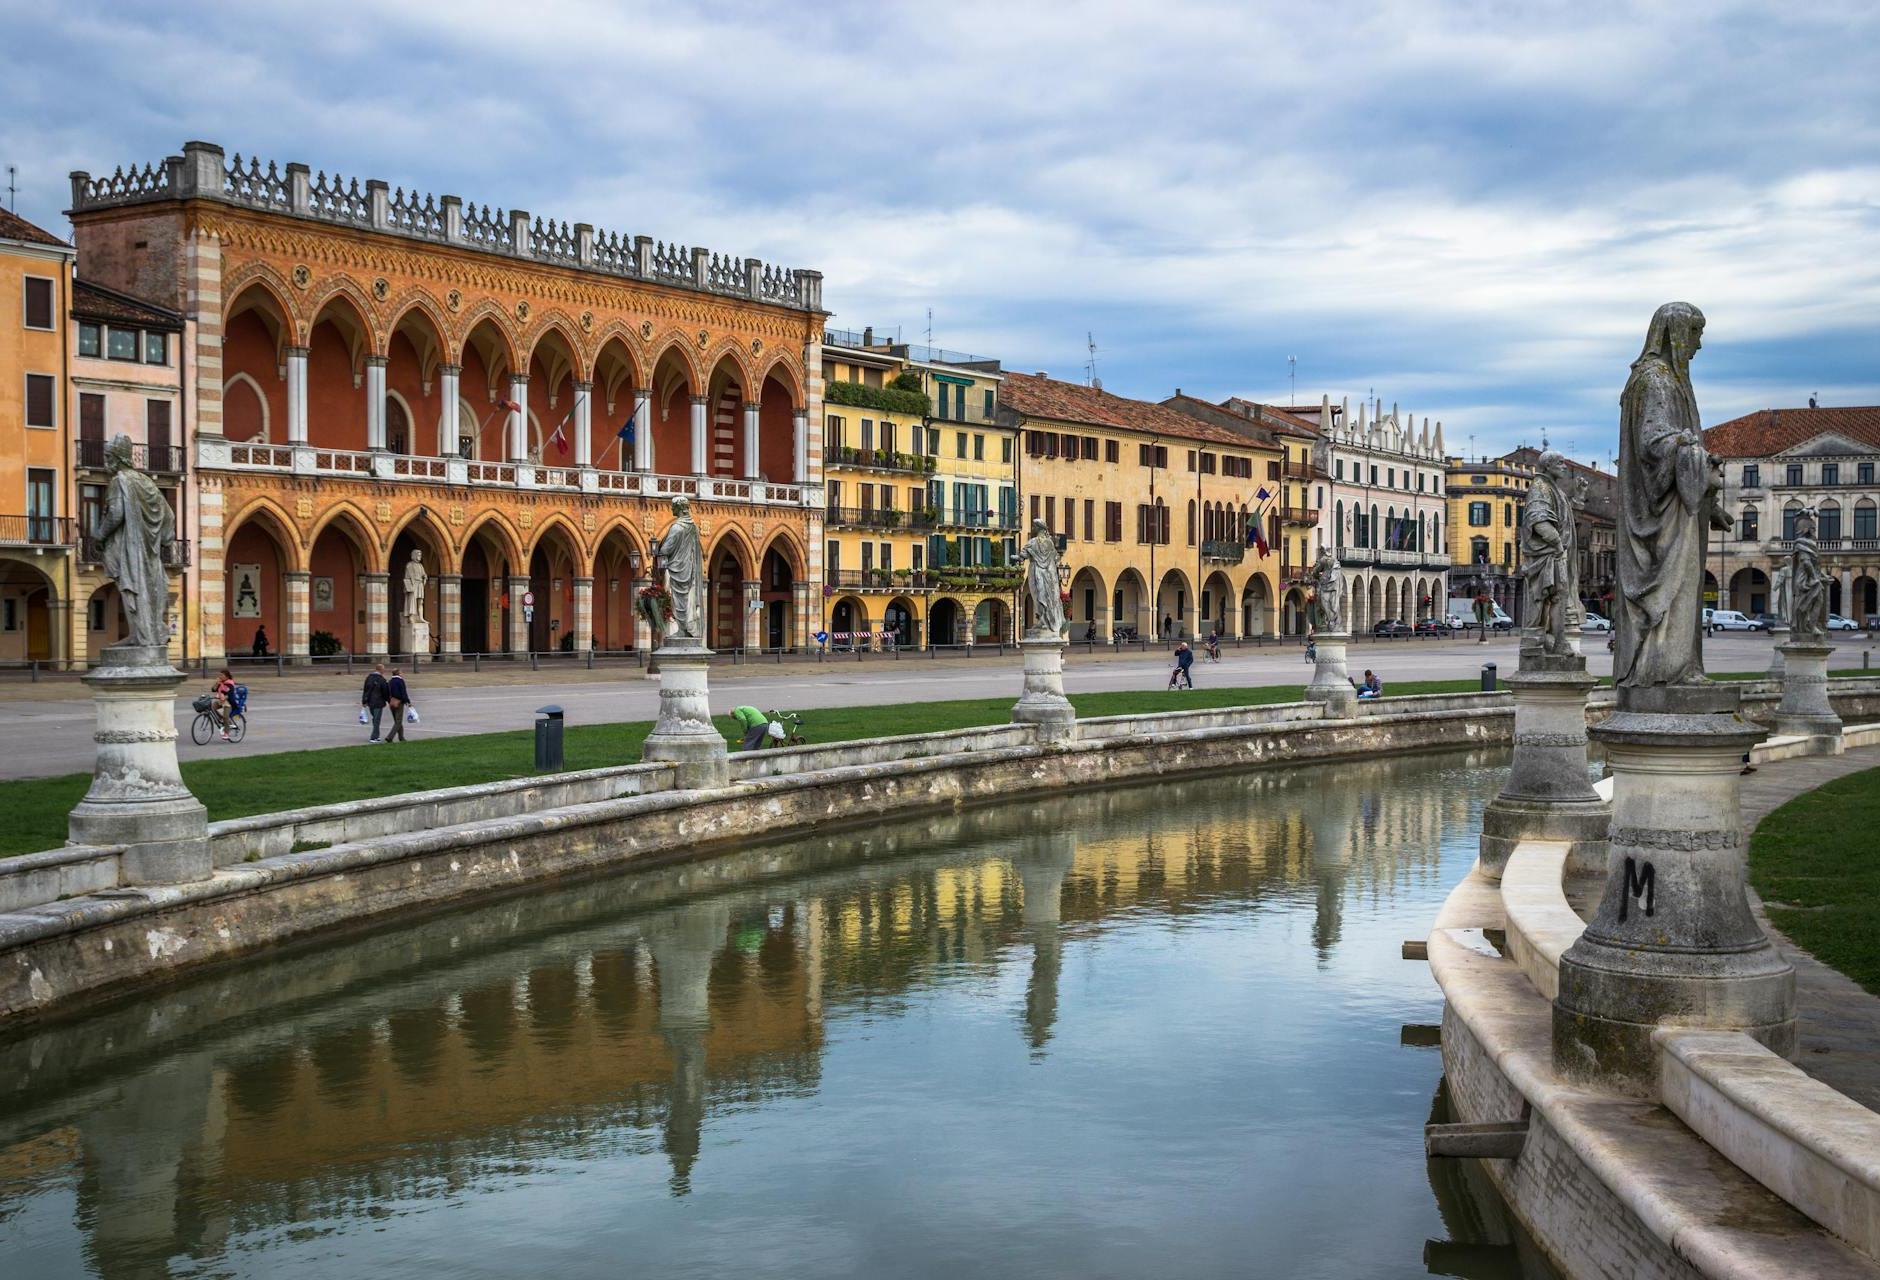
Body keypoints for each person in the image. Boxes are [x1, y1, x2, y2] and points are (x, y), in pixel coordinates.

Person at [361, 663, 390, 743]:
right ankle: (374, 737)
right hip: (378, 702)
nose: (384, 671)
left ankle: (376, 735)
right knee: (377, 720)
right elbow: (385, 692)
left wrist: (364, 701)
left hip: (370, 702)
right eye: (383, 669)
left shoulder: (368, 678)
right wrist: (389, 700)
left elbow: (365, 690)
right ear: (381, 670)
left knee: (375, 718)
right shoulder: (382, 679)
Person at [385, 667, 411, 743]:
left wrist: (389, 700)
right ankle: (390, 736)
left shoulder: (390, 681)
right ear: (398, 673)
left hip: (391, 702)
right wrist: (407, 701)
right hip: (399, 702)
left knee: (397, 721)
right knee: (398, 721)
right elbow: (403, 692)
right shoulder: (400, 681)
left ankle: (401, 737)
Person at [210, 667, 237, 740]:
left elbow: (230, 694)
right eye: (220, 675)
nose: (220, 677)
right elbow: (213, 689)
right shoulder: (221, 683)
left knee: (225, 717)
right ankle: (222, 719)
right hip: (221, 701)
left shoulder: (230, 684)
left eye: (222, 675)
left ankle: (226, 733)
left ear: (227, 676)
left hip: (229, 703)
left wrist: (224, 697)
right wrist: (216, 683)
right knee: (212, 707)